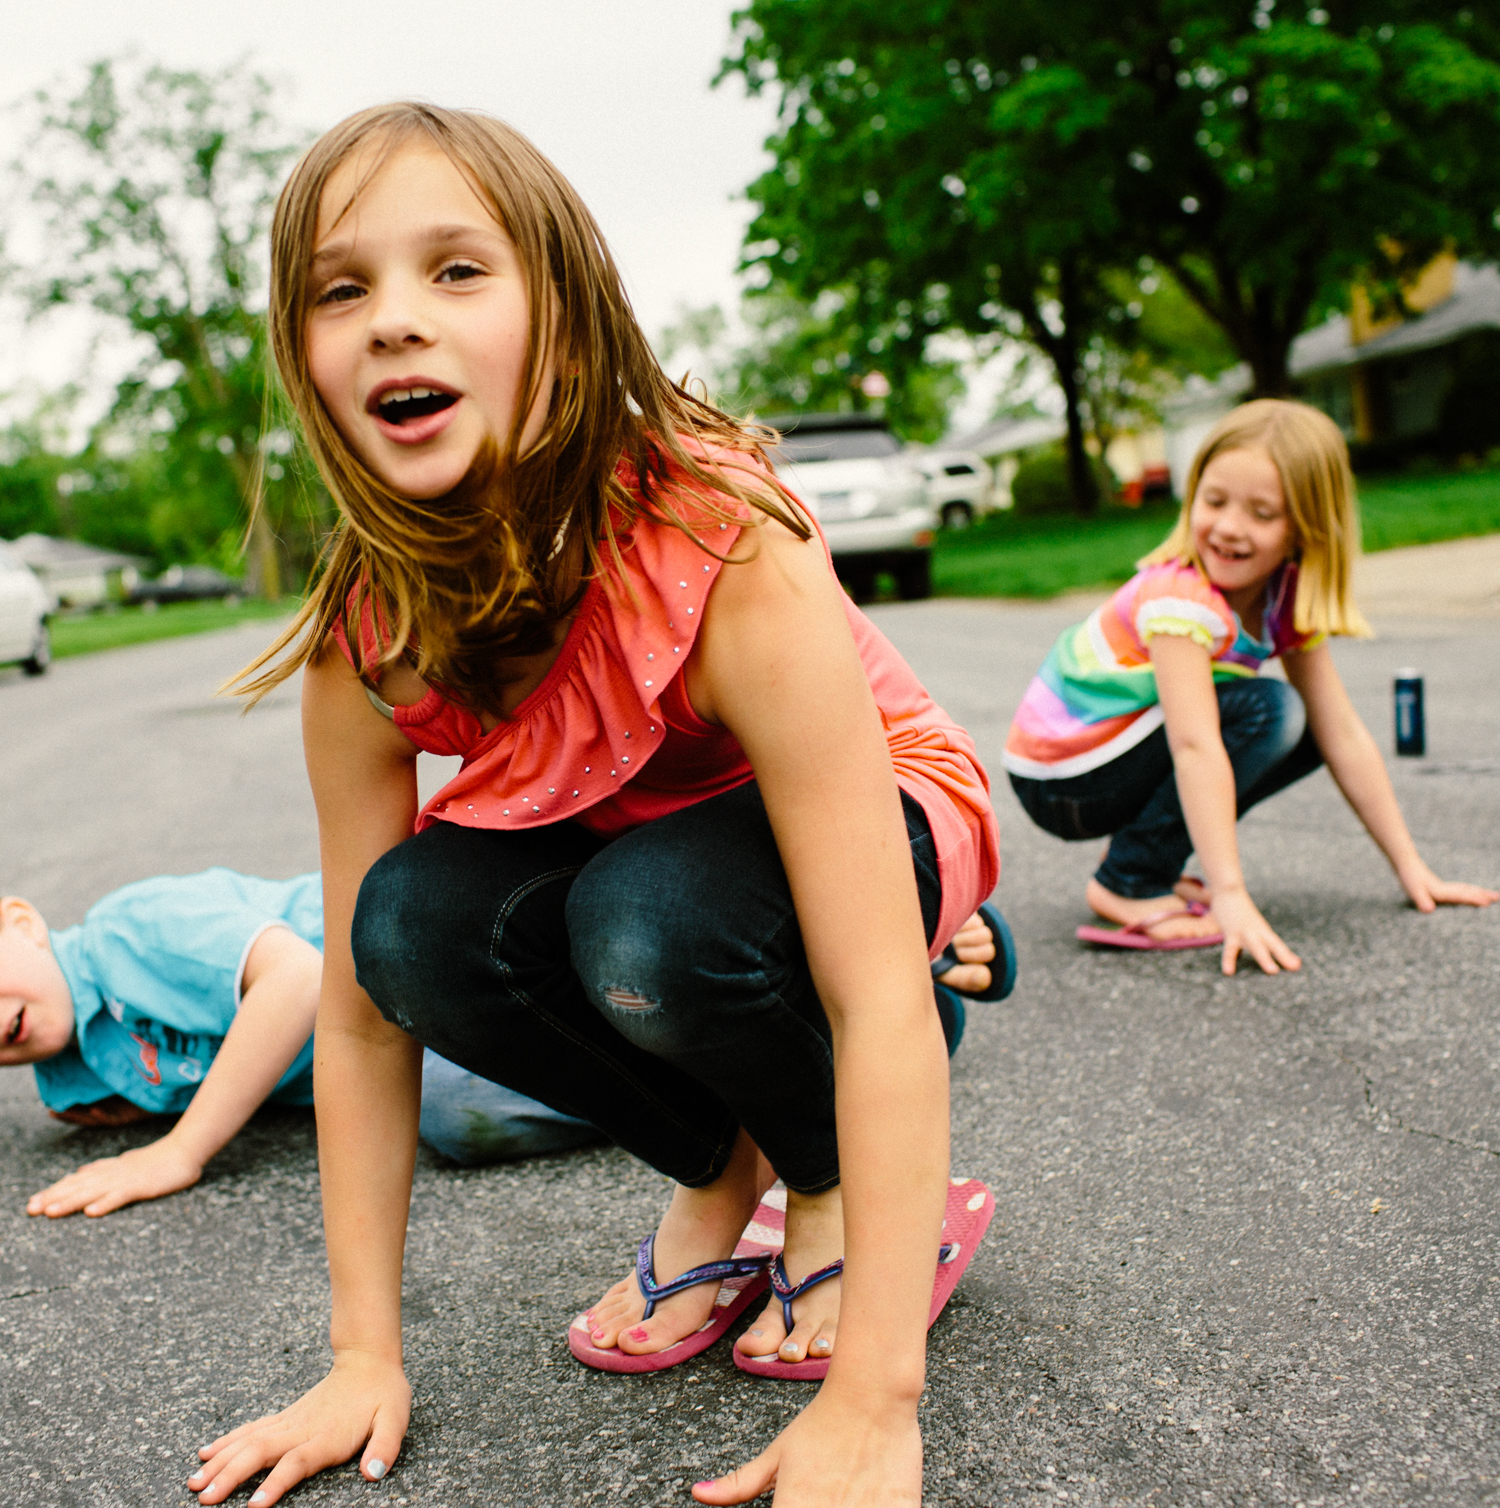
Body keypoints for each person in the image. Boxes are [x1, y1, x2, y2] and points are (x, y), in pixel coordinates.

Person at [185, 102, 1004, 1508]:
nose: (393, 320)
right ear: (306, 359)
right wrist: (360, 1358)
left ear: (561, 315)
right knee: (408, 927)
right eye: (342, 288)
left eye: (456, 270)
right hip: (648, 848)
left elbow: (867, 984)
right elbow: (361, 1017)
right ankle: (719, 1157)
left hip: (876, 831)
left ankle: (814, 1180)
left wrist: (877, 1400)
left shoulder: (715, 537)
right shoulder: (367, 636)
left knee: (652, 925)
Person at [1003, 399, 1496, 974]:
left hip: (1106, 760)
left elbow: (1342, 734)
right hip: (1064, 777)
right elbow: (1195, 746)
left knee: (1306, 721)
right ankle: (1130, 880)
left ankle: (1146, 862)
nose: (1229, 527)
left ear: (1305, 529)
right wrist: (1230, 892)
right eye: (1214, 502)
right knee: (1268, 710)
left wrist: (1413, 867)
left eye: (1262, 513)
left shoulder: (1283, 600)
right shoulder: (1179, 598)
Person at [2, 869, 601, 1221]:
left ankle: (667, 1082)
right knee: (450, 1111)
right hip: (396, 1033)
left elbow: (296, 980)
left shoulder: (128, 930)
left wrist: (179, 1149)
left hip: (435, 952)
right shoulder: (74, 1082)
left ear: (23, 925)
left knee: (446, 1101)